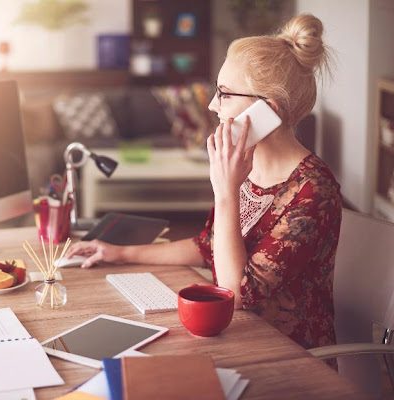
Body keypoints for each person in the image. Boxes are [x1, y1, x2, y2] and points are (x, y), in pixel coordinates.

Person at [66, 13, 341, 350]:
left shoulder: (314, 191)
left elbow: (236, 293)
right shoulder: (244, 165)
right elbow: (208, 246)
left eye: (225, 94)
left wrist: (226, 192)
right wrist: (118, 253)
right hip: (235, 336)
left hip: (286, 356)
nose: (212, 105)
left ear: (267, 111)